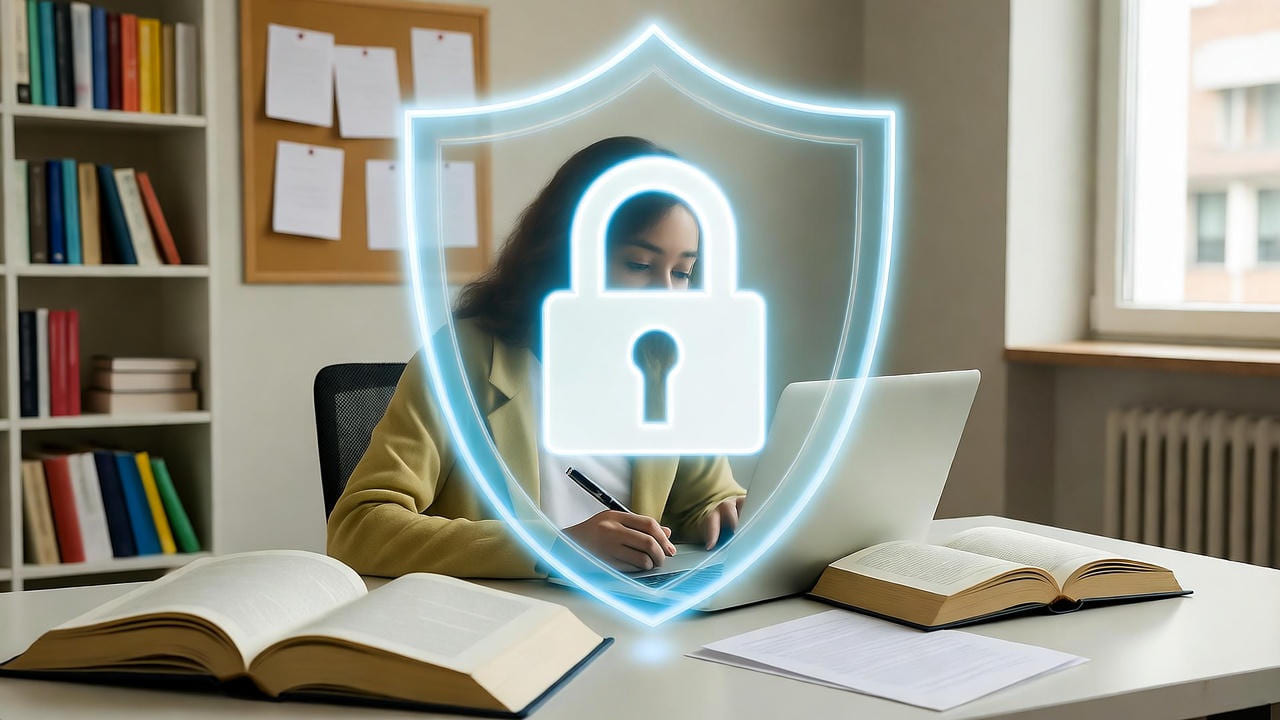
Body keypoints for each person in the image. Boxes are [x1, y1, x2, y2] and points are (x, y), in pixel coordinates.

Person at [327, 136, 746, 578]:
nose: (666, 294)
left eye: (682, 273)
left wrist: (724, 512)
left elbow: (708, 497)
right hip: (498, 626)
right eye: (639, 265)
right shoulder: (461, 361)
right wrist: (552, 547)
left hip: (627, 622)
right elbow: (357, 529)